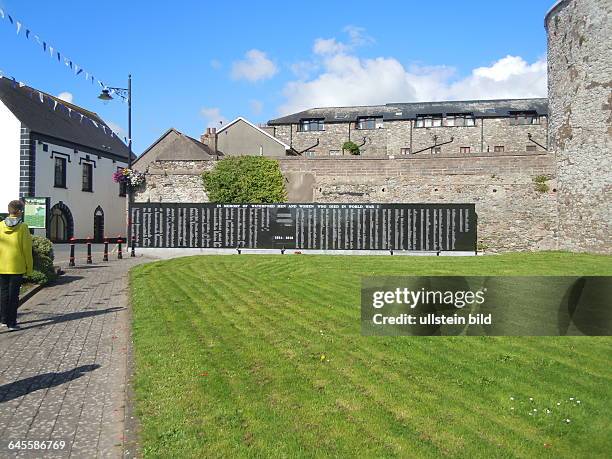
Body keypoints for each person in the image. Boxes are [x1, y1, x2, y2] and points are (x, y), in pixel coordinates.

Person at [0, 200, 33, 331]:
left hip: (2, 266)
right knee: (14, 296)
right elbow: (27, 249)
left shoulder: (0, 225)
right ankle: (11, 323)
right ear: (19, 212)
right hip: (16, 266)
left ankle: (2, 320)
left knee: (2, 294)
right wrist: (29, 269)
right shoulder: (23, 227)